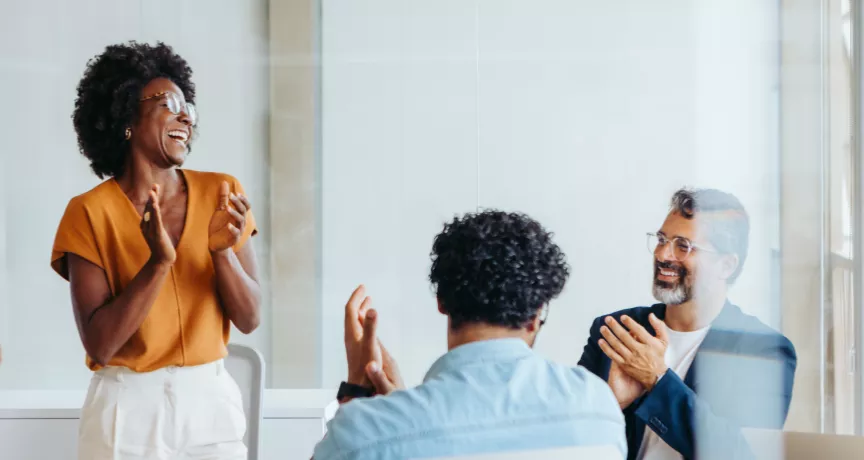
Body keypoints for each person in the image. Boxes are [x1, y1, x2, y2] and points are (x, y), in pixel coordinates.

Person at [51, 42, 260, 460]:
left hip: (210, 407)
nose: (185, 116)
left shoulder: (222, 192)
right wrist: (159, 263)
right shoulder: (89, 212)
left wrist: (221, 254)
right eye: (169, 103)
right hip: (125, 411)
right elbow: (100, 344)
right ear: (126, 116)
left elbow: (250, 318)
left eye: (189, 109)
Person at [313, 210, 627, 460]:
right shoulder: (597, 409)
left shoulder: (364, 433)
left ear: (442, 302)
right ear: (535, 316)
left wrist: (358, 395)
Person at [578, 188, 797, 460]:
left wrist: (657, 380)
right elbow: (570, 438)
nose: (662, 255)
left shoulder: (764, 350)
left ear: (726, 266)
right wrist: (612, 404)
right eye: (661, 239)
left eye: (683, 246)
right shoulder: (616, 329)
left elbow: (740, 454)